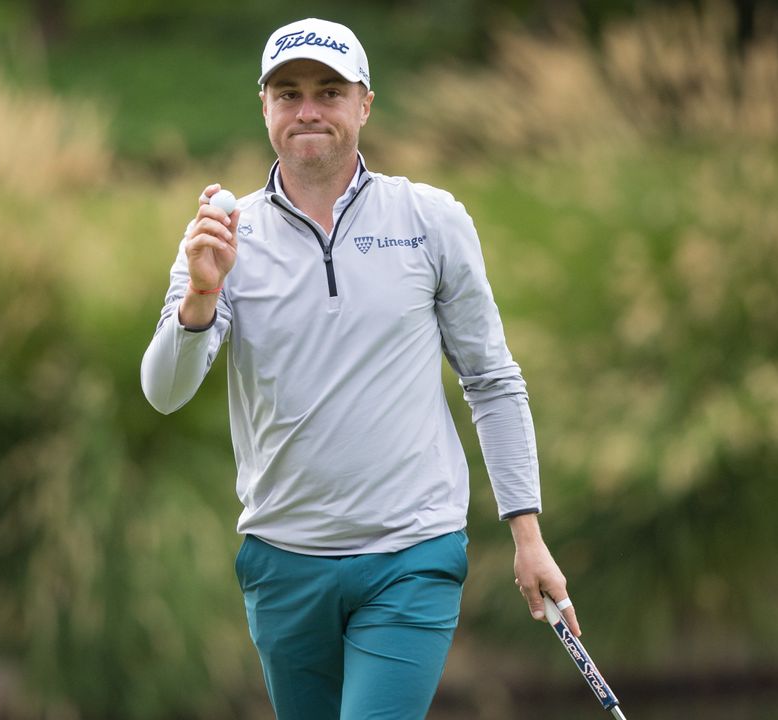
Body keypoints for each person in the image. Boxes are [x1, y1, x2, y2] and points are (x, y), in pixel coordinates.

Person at [141, 17, 579, 719]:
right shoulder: (224, 237)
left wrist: (528, 538)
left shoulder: (429, 219)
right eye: (288, 94)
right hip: (283, 560)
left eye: (328, 91)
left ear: (364, 104)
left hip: (412, 555)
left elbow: (491, 380)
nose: (308, 110)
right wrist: (202, 292)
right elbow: (164, 392)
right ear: (264, 107)